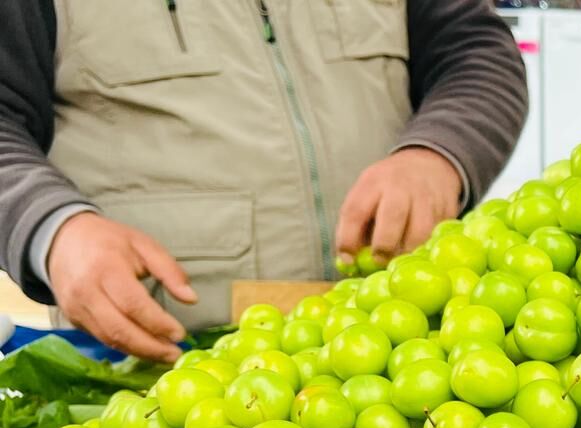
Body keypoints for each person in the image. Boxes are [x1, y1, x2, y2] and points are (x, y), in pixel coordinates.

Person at [0, 1, 529, 361]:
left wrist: (438, 153)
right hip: (148, 365)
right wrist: (52, 227)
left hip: (406, 359)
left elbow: (474, 49)